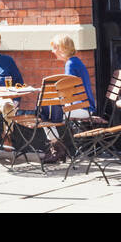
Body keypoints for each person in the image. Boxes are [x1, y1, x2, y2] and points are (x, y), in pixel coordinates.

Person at [40, 35, 93, 163]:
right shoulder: (75, 62)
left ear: (61, 48)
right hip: (84, 106)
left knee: (44, 115)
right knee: (47, 113)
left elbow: (68, 93)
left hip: (82, 108)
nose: (52, 51)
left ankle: (57, 149)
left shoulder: (70, 64)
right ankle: (58, 149)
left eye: (54, 48)